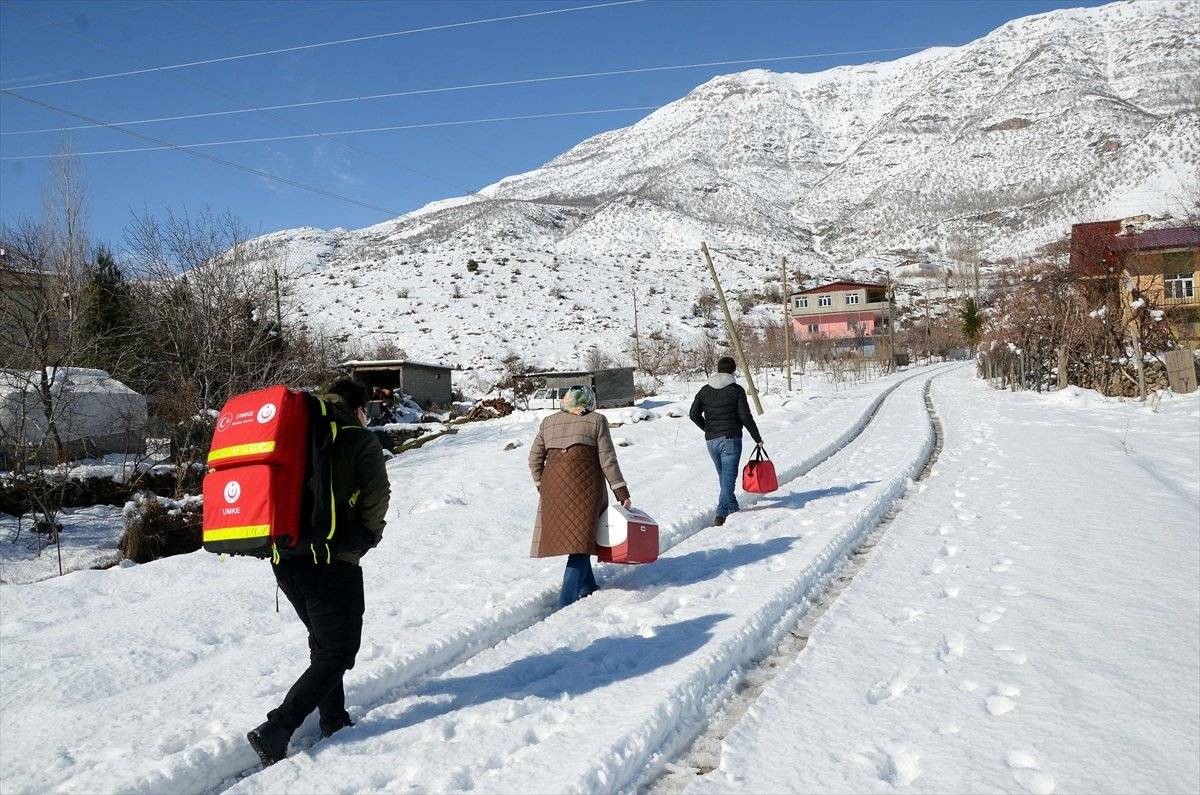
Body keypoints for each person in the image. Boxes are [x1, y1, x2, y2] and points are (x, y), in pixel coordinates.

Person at [247, 377, 391, 767]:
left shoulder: (295, 430)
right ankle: (278, 727)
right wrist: (365, 540)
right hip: (332, 562)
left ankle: (333, 718)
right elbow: (378, 496)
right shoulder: (357, 438)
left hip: (285, 559)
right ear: (358, 407)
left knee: (323, 643)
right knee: (340, 650)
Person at [528, 384, 631, 608]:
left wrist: (541, 485)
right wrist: (620, 491)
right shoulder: (596, 420)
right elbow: (608, 460)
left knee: (580, 540)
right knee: (580, 545)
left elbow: (534, 459)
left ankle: (588, 587)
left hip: (552, 490)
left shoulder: (549, 422)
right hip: (585, 490)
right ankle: (566, 601)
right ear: (589, 400)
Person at [689, 356, 763, 526]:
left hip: (711, 441)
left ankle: (733, 507)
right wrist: (757, 438)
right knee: (728, 478)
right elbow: (745, 416)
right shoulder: (736, 390)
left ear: (717, 369)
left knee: (724, 477)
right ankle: (721, 513)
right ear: (733, 370)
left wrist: (708, 429)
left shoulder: (704, 390)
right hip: (731, 439)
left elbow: (693, 414)